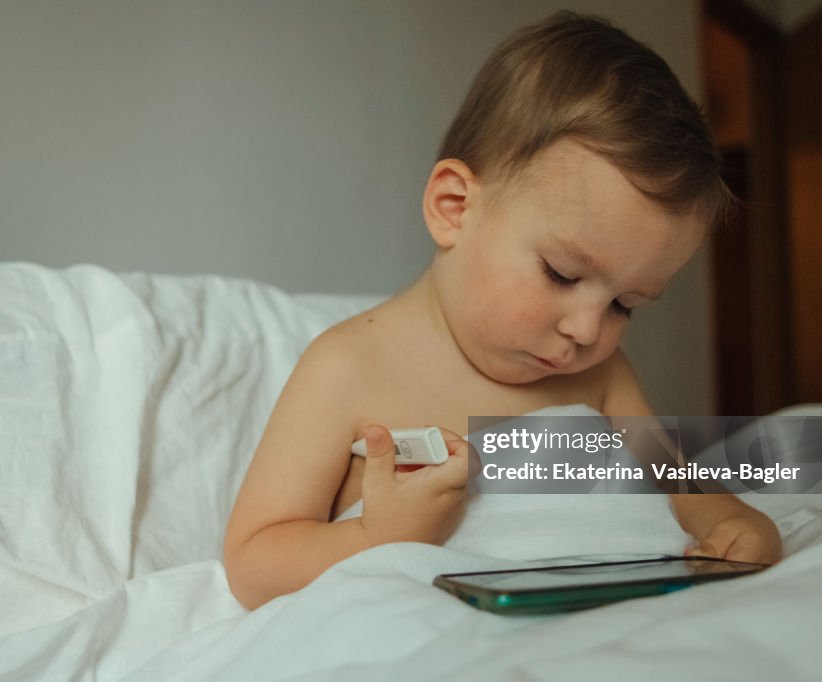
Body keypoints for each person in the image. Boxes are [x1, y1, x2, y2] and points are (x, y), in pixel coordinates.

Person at [223, 11, 782, 610]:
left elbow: (678, 483)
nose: (588, 331)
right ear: (455, 207)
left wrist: (734, 517)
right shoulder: (347, 367)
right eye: (561, 274)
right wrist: (378, 536)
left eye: (626, 305)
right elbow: (254, 561)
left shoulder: (602, 377)